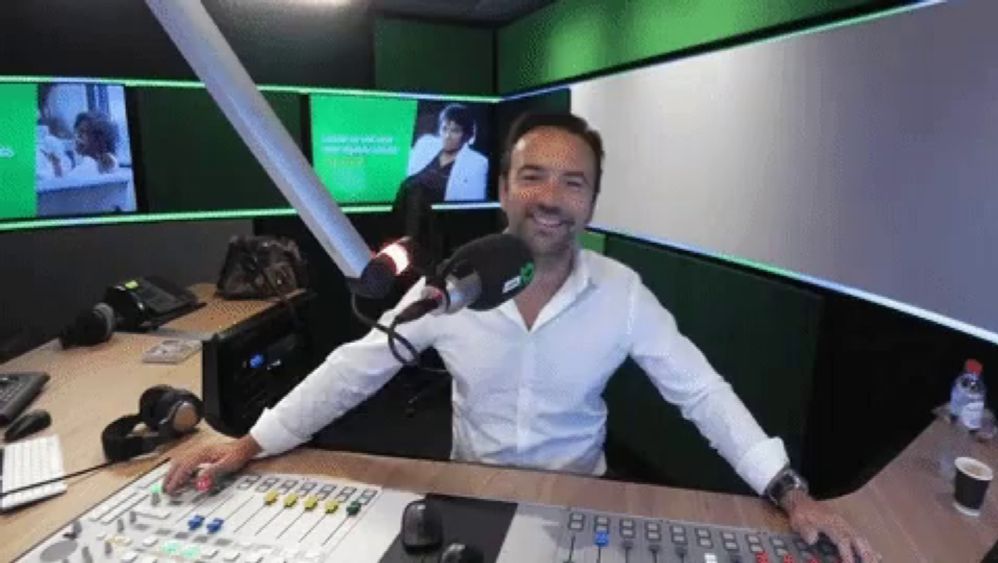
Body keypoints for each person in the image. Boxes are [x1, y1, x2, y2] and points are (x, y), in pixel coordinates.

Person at [165, 113, 879, 562]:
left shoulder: (622, 292)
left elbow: (702, 392)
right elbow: (358, 367)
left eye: (573, 182)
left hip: (581, 499)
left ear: (592, 202)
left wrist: (790, 491)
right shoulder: (455, 283)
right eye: (532, 175)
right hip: (467, 489)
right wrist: (249, 444)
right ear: (503, 187)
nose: (551, 196)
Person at [404, 103, 488, 202]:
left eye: (455, 131)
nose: (447, 136)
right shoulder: (425, 143)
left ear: (466, 135)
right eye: (444, 129)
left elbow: (473, 202)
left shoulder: (477, 162)